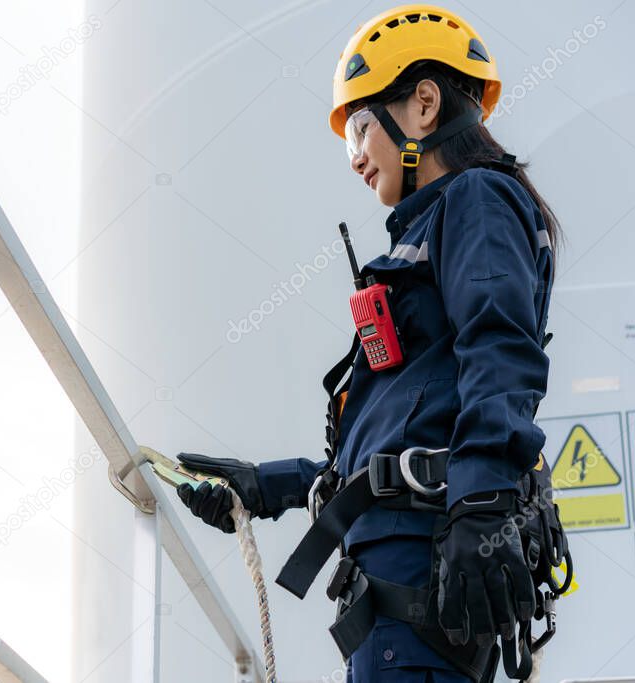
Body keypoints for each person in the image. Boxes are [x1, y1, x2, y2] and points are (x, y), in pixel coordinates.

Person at [175, 5, 565, 682]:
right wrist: (266, 486)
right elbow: (395, 442)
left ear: (422, 105)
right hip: (394, 595)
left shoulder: (474, 199)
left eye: (359, 127)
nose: (355, 155)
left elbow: (499, 346)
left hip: (419, 581)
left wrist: (479, 503)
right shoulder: (443, 221)